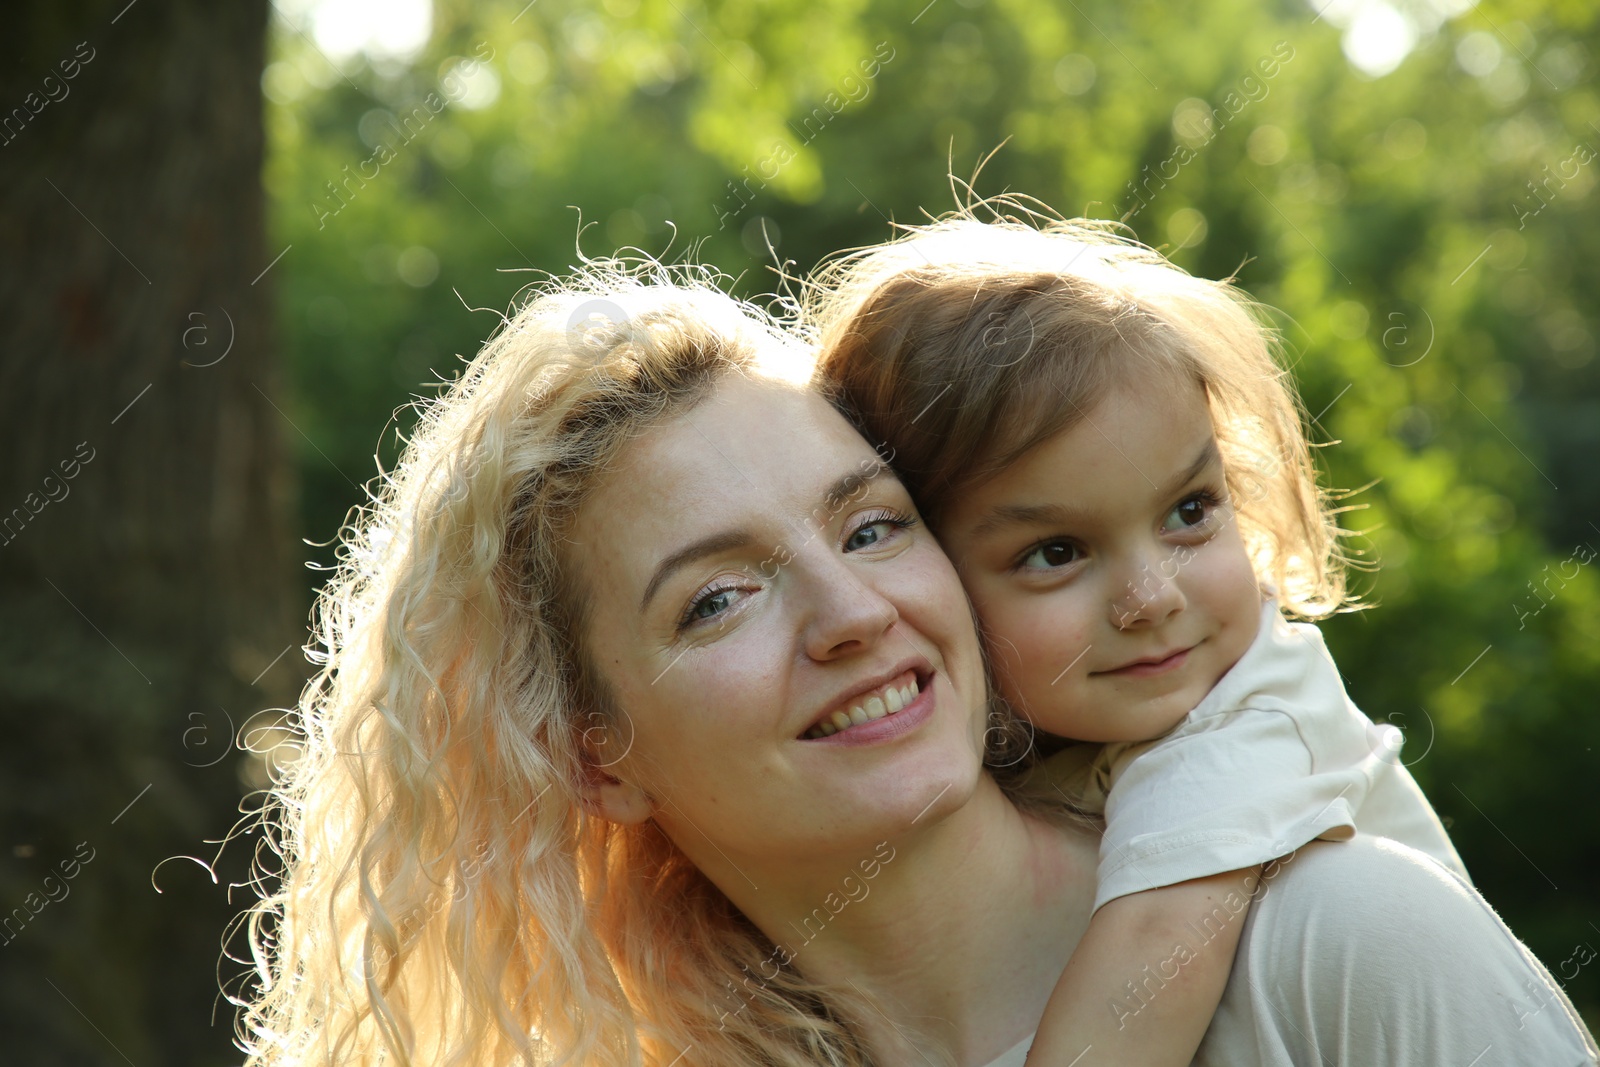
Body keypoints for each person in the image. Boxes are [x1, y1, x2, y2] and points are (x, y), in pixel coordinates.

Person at [235, 262, 1597, 1067]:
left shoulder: (1335, 940)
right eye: (719, 598)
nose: (851, 611)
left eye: (871, 525)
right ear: (595, 751)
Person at [805, 206, 1594, 1066]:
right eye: (1057, 552)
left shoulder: (1251, 714)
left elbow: (1145, 974)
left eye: (1190, 511)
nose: (1151, 596)